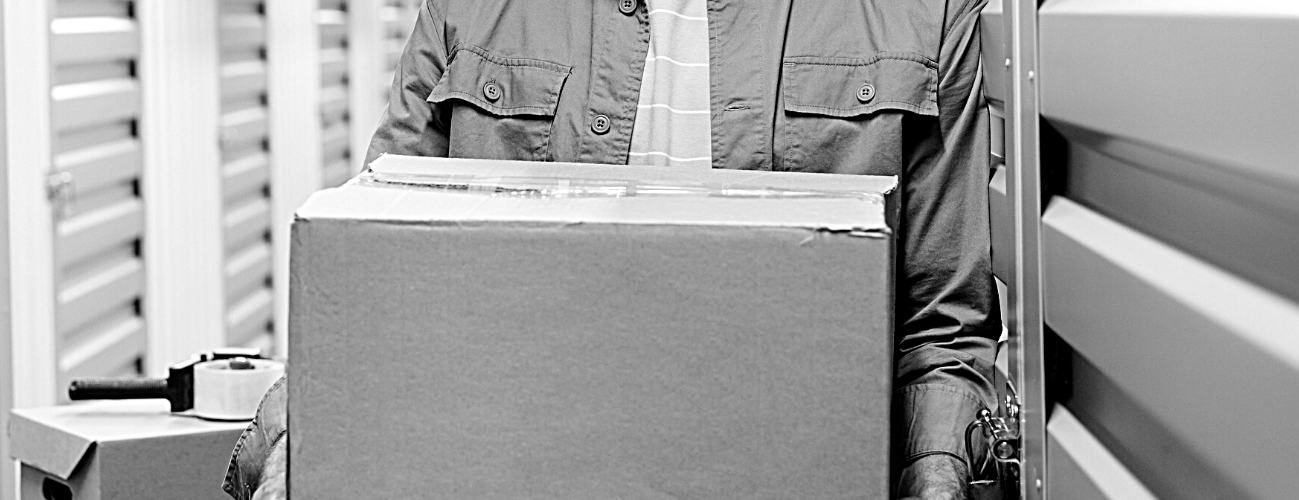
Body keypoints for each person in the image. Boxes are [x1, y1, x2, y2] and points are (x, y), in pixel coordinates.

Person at [228, 0, 1005, 498]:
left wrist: (933, 472)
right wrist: (307, 436)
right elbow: (376, 282)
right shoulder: (473, 9)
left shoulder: (922, 13)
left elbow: (942, 327)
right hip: (518, 468)